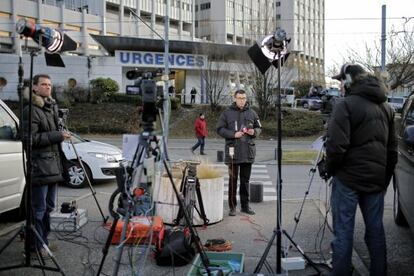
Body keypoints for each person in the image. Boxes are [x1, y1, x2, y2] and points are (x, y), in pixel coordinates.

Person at [325, 64, 398, 276]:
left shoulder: (345, 105)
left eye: (341, 81)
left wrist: (330, 169)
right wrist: (383, 182)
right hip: (375, 182)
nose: (339, 85)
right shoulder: (387, 107)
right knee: (376, 231)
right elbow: (392, 150)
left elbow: (336, 147)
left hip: (347, 181)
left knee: (343, 233)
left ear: (349, 81)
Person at [23, 74, 71, 254]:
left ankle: (43, 242)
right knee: (39, 209)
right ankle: (34, 246)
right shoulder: (31, 109)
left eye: (49, 84)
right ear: (34, 88)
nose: (47, 87)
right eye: (43, 84)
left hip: (53, 166)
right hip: (40, 167)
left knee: (49, 207)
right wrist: (57, 136)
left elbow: (51, 136)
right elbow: (29, 139)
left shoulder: (50, 108)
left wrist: (60, 133)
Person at [216, 89, 262, 216]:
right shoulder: (227, 113)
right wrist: (233, 134)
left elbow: (259, 128)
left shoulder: (252, 113)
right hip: (233, 152)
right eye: (239, 98)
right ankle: (232, 207)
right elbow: (219, 129)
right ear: (235, 99)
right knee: (233, 181)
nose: (242, 100)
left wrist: (255, 132)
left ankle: (245, 206)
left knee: (245, 181)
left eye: (244, 98)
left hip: (248, 151)